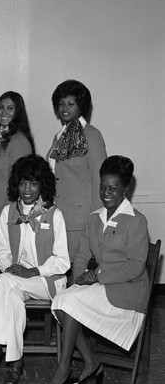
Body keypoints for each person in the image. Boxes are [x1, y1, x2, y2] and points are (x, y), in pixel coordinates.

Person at [40, 155, 149, 384]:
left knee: (67, 304)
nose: (106, 193)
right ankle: (91, 363)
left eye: (113, 188)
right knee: (60, 302)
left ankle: (64, 367)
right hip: (99, 286)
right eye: (103, 188)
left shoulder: (136, 221)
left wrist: (97, 277)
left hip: (127, 292)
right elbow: (81, 255)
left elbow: (136, 267)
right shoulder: (94, 218)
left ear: (126, 190)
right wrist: (80, 277)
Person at [0, 155, 69, 384]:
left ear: (42, 185)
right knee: (12, 295)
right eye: (23, 182)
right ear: (16, 183)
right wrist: (11, 268)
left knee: (5, 282)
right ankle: (15, 361)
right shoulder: (8, 212)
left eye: (33, 183)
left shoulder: (54, 214)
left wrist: (33, 271)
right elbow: (0, 253)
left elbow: (63, 262)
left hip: (48, 281)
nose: (27, 189)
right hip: (16, 281)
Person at [47, 79, 107, 261]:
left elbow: (100, 181)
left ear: (81, 107)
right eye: (61, 103)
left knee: (76, 271)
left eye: (71, 104)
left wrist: (96, 223)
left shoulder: (91, 135)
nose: (65, 108)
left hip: (80, 220)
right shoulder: (60, 136)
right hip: (57, 215)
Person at [0, 91, 35, 233]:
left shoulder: (19, 141)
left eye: (10, 108)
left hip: (10, 217)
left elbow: (22, 185)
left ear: (18, 112)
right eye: (1, 107)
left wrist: (14, 216)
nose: (4, 112)